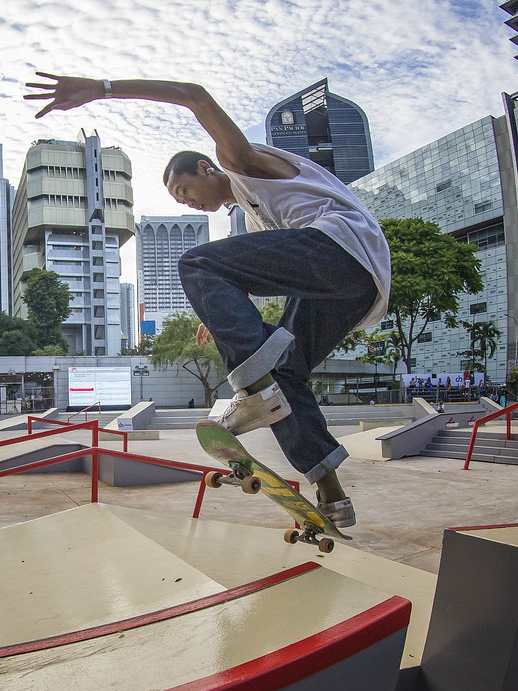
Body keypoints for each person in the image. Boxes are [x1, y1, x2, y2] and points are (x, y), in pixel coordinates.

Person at [25, 73, 391, 527]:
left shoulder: (240, 163)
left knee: (194, 264)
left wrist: (101, 89)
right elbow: (262, 275)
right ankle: (330, 489)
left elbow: (194, 95)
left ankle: (251, 392)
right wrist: (219, 314)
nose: (189, 203)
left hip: (340, 245)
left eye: (185, 192)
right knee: (284, 372)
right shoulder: (260, 218)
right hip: (360, 283)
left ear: (204, 170)